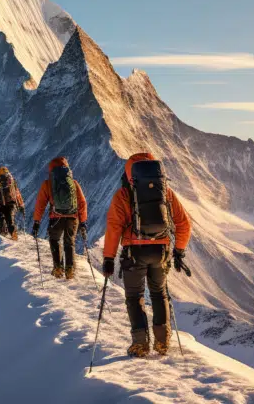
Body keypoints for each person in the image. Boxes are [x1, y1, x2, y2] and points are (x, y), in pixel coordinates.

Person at [102, 152, 191, 357]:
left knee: (135, 297)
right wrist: (179, 251)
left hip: (134, 252)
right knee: (160, 294)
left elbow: (114, 227)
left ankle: (141, 344)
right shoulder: (166, 193)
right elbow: (183, 223)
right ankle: (162, 341)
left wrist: (108, 257)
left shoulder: (124, 194)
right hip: (161, 251)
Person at [32, 157, 88, 280]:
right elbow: (82, 202)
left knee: (54, 240)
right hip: (72, 217)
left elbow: (40, 204)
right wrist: (83, 221)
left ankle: (58, 268)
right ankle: (70, 269)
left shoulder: (47, 184)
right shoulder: (73, 183)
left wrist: (37, 221)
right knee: (69, 242)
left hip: (55, 217)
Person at [0, 166, 25, 240]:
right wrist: (21, 204)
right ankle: (13, 233)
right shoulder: (12, 181)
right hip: (12, 203)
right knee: (10, 219)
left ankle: (2, 234)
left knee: (2, 218)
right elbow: (17, 193)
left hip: (2, 204)